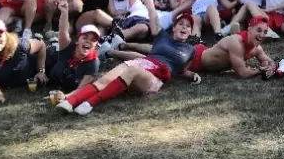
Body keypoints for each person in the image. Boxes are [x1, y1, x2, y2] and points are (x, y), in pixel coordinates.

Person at [55, 12, 200, 116]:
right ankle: (71, 101)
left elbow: (181, 70)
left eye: (188, 26)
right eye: (181, 24)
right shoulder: (163, 37)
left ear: (190, 31)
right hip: (143, 62)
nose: (184, 27)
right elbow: (152, 12)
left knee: (133, 69)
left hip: (154, 76)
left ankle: (90, 103)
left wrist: (191, 75)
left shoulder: (190, 50)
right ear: (174, 27)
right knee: (106, 78)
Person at [0, 19, 48, 104]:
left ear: (6, 36)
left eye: (0, 35)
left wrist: (41, 71)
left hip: (45, 66)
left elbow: (41, 45)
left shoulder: (20, 45)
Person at [188, 15, 276, 78]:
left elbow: (270, 62)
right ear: (250, 29)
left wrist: (270, 67)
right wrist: (260, 70)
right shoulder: (236, 43)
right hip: (194, 58)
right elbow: (242, 73)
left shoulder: (257, 49)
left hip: (207, 53)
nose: (262, 35)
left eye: (265, 32)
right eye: (259, 30)